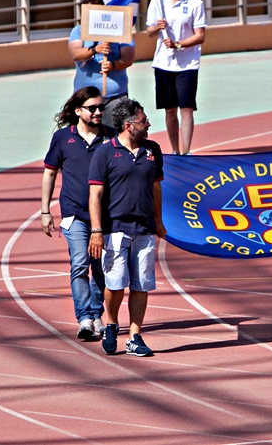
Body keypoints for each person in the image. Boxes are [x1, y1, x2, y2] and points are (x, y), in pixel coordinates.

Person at [88, 98, 165, 357]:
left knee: (142, 284)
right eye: (144, 121)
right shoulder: (105, 152)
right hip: (115, 230)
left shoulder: (153, 150)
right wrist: (97, 231)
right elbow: (95, 194)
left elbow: (156, 187)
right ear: (129, 126)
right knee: (116, 283)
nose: (149, 124)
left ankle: (135, 336)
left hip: (144, 230)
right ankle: (111, 323)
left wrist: (159, 221)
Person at [41, 87, 111, 341]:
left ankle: (96, 314)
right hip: (73, 213)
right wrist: (45, 210)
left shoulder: (110, 138)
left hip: (104, 217)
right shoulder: (62, 139)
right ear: (78, 111)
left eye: (100, 107)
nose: (98, 112)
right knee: (80, 263)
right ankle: (84, 317)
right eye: (92, 108)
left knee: (101, 267)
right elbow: (50, 172)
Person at [147, 0, 207, 155]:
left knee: (187, 109)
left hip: (187, 64)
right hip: (164, 64)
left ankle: (186, 151)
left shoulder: (195, 4)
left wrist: (178, 44)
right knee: (170, 110)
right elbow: (149, 32)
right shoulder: (157, 2)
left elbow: (200, 36)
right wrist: (157, 27)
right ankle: (175, 150)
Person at [68, 0, 135, 129]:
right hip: (85, 98)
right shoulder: (78, 31)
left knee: (116, 136)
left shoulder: (118, 29)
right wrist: (94, 50)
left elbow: (129, 57)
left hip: (115, 97)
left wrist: (113, 65)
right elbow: (75, 54)